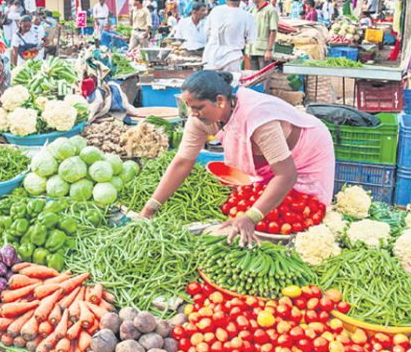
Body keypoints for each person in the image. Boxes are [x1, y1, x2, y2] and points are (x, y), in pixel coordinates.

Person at [140, 71, 335, 246]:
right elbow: (182, 162)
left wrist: (251, 216)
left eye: (198, 107)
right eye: (189, 107)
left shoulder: (257, 116)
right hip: (271, 162)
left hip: (308, 150)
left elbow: (286, 175)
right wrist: (150, 207)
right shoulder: (199, 120)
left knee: (306, 211)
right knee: (270, 207)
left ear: (220, 101)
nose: (193, 113)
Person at [203, 0, 256, 72]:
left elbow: (206, 32)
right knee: (230, 84)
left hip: (211, 56)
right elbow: (251, 40)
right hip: (232, 59)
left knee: (210, 84)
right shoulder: (247, 16)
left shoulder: (215, 11)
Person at [247, 0, 278, 71]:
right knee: (254, 77)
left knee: (264, 77)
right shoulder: (252, 10)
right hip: (252, 49)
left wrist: (269, 50)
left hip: (263, 50)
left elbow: (273, 31)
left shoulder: (271, 10)